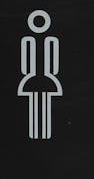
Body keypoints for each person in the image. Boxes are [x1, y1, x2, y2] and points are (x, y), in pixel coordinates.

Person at [17, 10, 62, 139]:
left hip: (44, 78)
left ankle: (42, 133)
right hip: (36, 77)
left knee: (43, 106)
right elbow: (25, 64)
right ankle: (37, 133)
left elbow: (53, 64)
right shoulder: (28, 40)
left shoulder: (49, 40)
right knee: (36, 106)